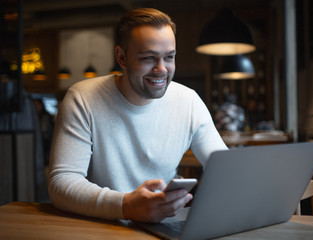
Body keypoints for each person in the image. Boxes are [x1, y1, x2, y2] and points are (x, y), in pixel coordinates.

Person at [48, 8, 227, 223]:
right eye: (149, 58)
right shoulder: (82, 98)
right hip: (101, 226)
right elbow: (62, 182)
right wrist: (126, 205)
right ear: (122, 57)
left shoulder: (188, 101)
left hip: (162, 226)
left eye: (169, 57)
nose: (161, 69)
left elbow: (225, 169)